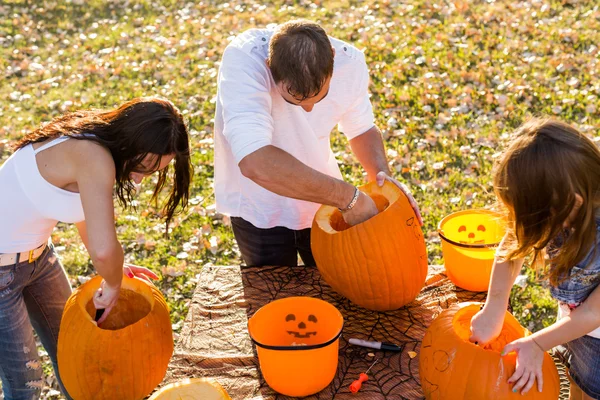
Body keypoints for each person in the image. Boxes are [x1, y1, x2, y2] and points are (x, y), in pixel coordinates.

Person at [0, 97, 192, 400]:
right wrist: (112, 282)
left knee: (76, 357)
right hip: (1, 271)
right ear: (131, 140)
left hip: (39, 257)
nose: (141, 178)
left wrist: (116, 270)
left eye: (154, 172)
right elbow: (104, 251)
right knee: (26, 383)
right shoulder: (94, 156)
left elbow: (85, 218)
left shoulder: (95, 143)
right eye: (144, 166)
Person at [214, 19, 421, 267]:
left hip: (321, 203)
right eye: (295, 100)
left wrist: (384, 181)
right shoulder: (243, 60)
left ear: (332, 57)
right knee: (275, 294)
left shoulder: (351, 63)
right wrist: (348, 198)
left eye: (320, 96)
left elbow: (361, 128)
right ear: (270, 67)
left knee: (338, 282)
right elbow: (255, 162)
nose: (310, 109)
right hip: (258, 206)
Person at [469, 119, 600, 399]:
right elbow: (514, 242)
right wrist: (494, 306)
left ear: (572, 201)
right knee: (573, 379)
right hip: (575, 321)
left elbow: (593, 313)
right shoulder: (566, 203)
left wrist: (538, 344)